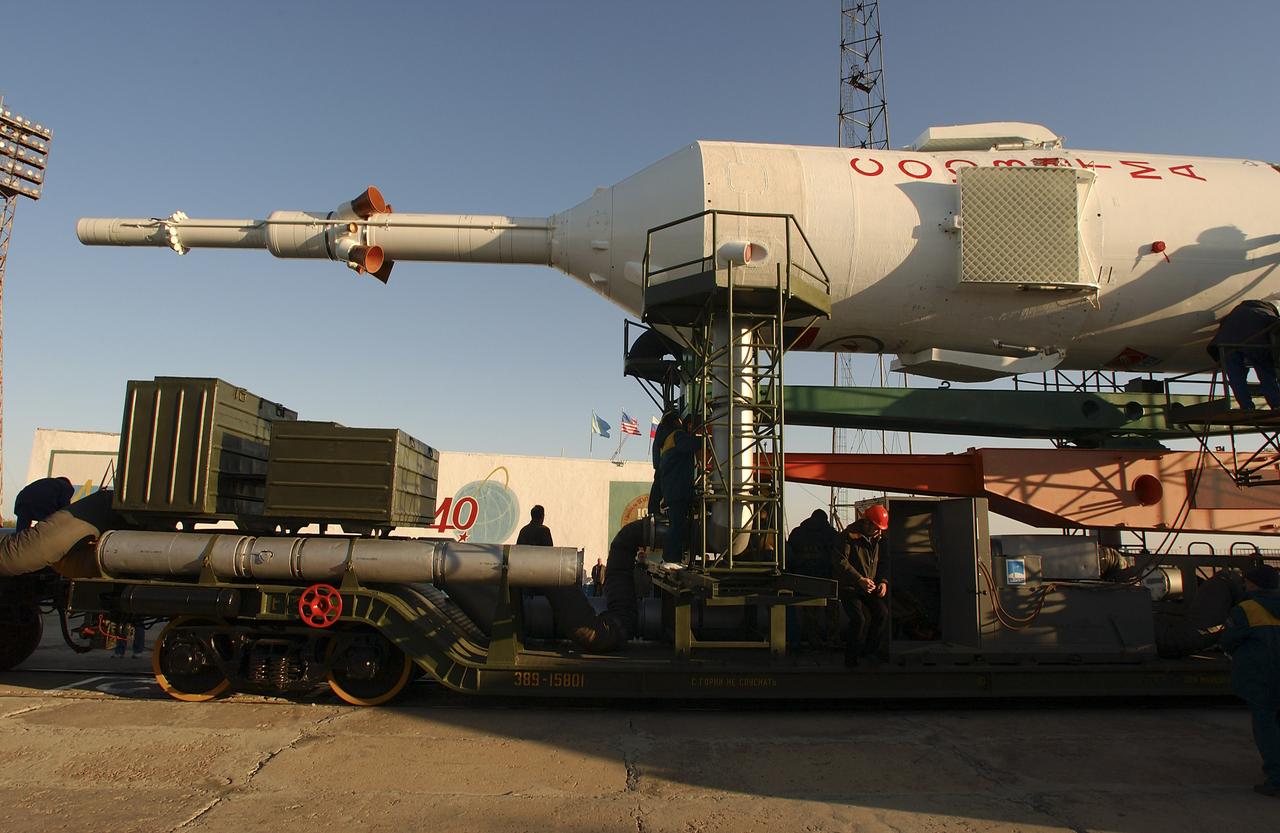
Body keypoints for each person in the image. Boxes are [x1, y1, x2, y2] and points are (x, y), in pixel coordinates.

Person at [1221, 564, 1280, 797]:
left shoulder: (1246, 609)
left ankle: (1276, 779)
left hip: (1260, 678)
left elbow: (1228, 641)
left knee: (1266, 729)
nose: (1244, 585)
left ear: (1254, 584)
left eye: (1246, 581)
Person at [832, 505, 891, 667]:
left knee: (882, 613)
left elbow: (884, 562)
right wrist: (859, 579)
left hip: (868, 586)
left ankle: (869, 652)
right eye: (877, 528)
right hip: (849, 587)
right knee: (858, 619)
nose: (879, 532)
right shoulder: (847, 536)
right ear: (867, 523)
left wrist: (883, 582)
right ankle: (851, 659)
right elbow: (840, 561)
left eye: (880, 529)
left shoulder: (880, 539)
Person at [1207, 300, 1280, 410]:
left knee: (1236, 378)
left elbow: (1223, 325)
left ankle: (1246, 407)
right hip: (1254, 345)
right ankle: (1276, 404)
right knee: (1266, 373)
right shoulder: (1267, 314)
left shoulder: (1236, 312)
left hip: (1226, 346)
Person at [657, 416, 697, 564]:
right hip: (678, 490)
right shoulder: (677, 436)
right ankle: (671, 559)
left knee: (677, 525)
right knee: (677, 526)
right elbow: (691, 445)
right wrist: (709, 440)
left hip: (673, 490)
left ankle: (673, 558)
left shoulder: (667, 441)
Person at [648, 410, 681, 516]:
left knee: (657, 488)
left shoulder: (661, 429)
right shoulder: (670, 429)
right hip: (665, 462)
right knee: (661, 488)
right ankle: (655, 510)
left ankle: (653, 511)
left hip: (661, 463)